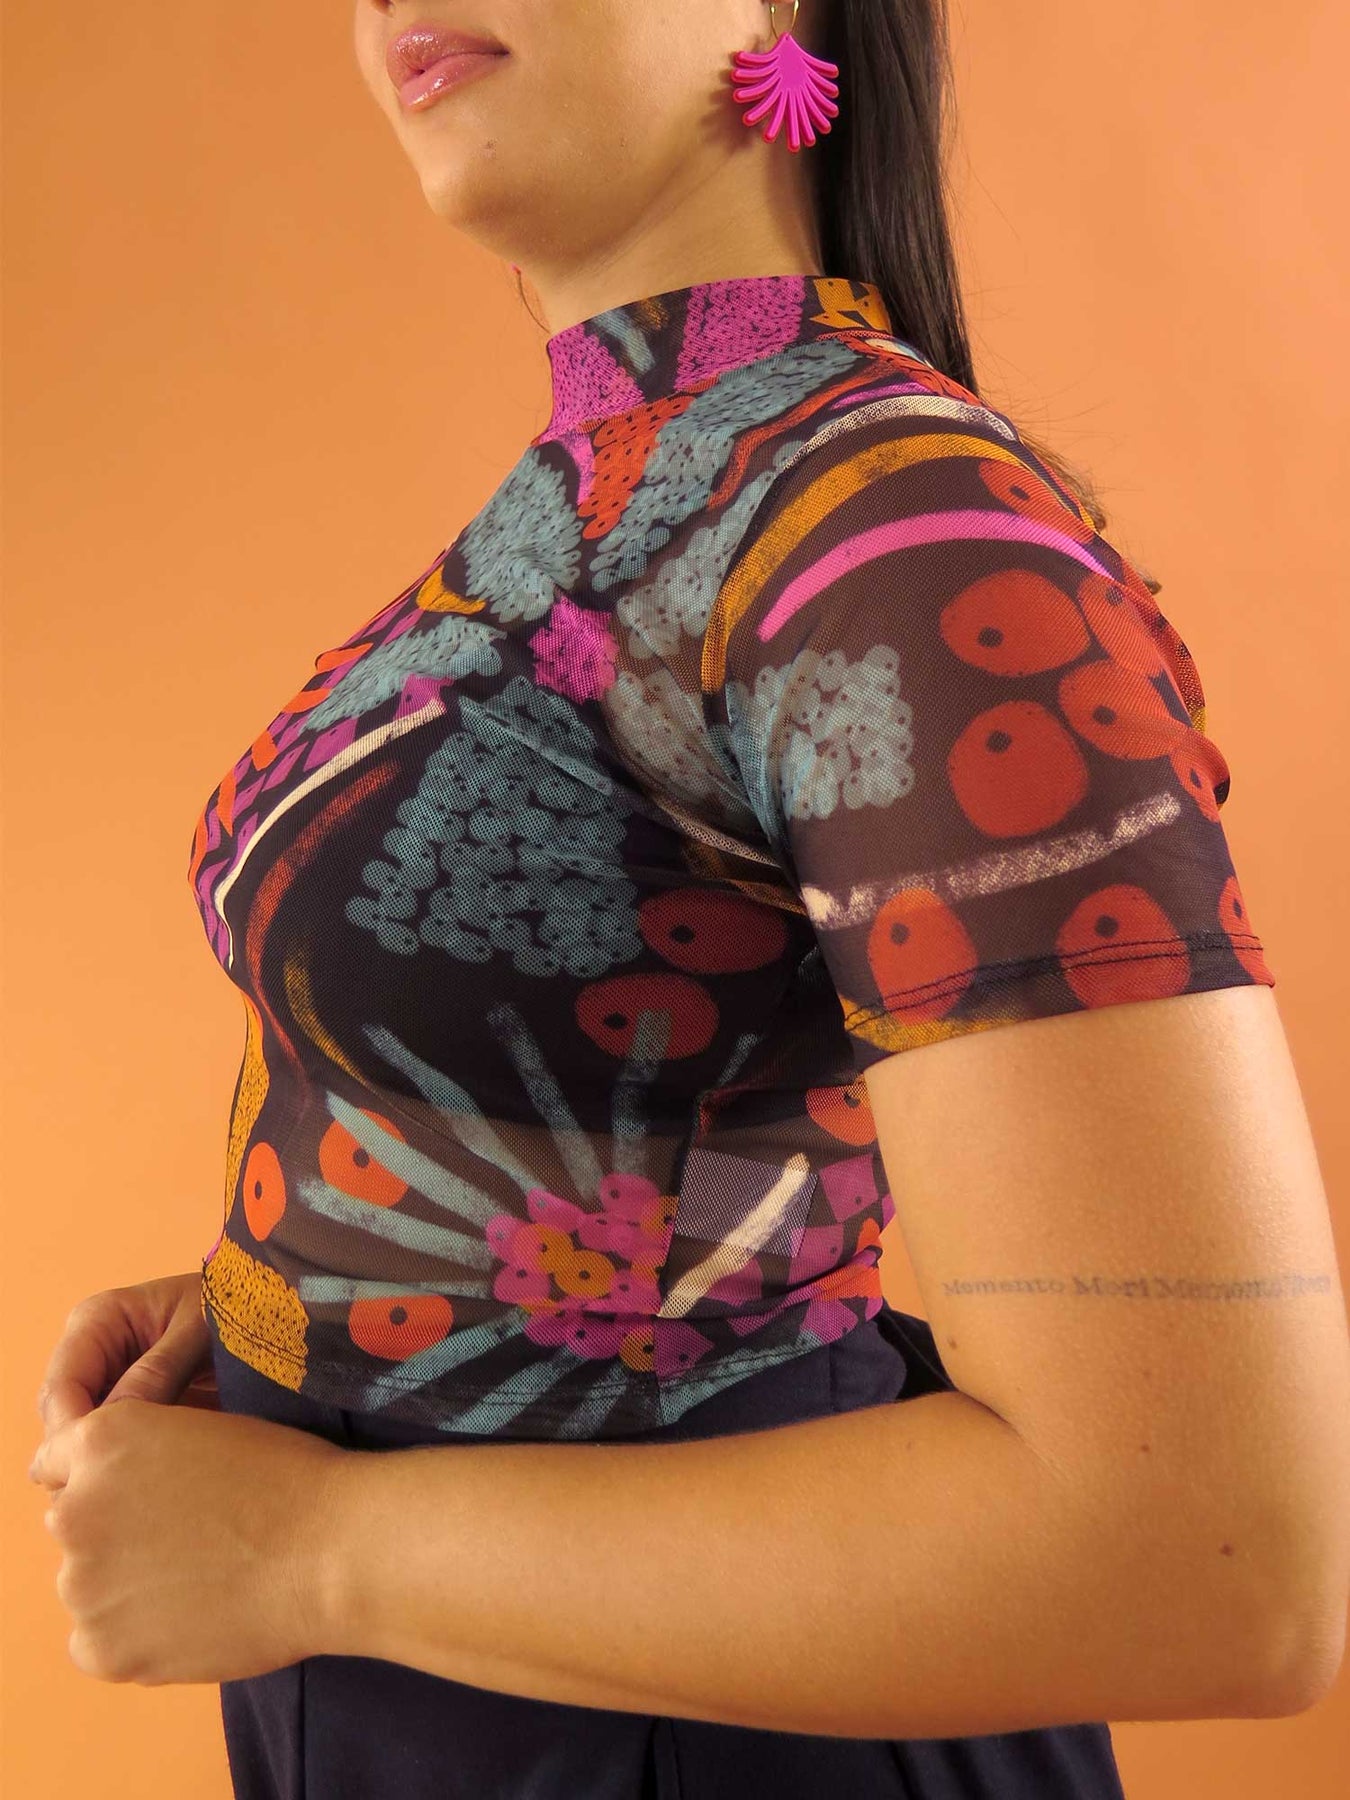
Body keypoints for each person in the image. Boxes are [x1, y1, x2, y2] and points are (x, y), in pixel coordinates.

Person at [28, 4, 1349, 1797]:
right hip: (484, 1682)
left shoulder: (899, 547)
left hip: (695, 1728)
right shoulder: (637, 487)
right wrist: (304, 1300)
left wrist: (308, 1550)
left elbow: (1208, 1560)